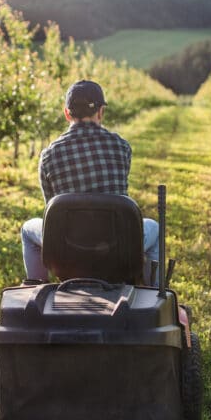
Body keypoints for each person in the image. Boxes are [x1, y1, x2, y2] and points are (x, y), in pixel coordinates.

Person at [21, 80, 160, 284]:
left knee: (27, 229)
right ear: (101, 112)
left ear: (67, 113)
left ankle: (36, 288)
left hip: (68, 249)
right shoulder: (121, 147)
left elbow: (51, 213)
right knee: (153, 227)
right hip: (117, 246)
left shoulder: (49, 155)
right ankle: (152, 293)